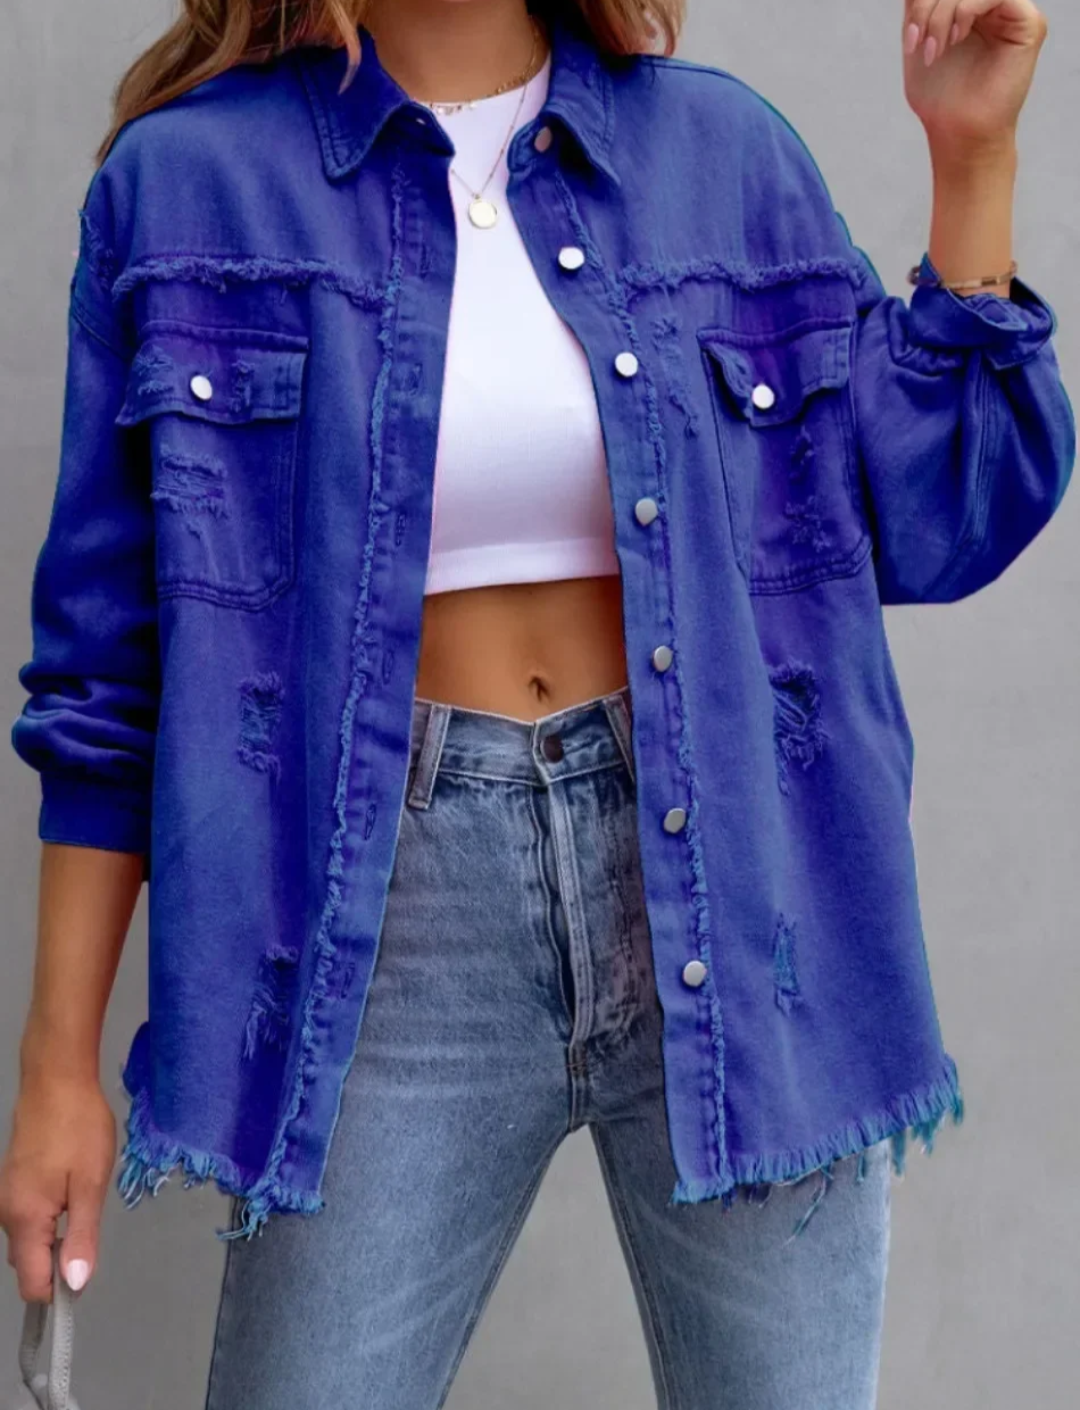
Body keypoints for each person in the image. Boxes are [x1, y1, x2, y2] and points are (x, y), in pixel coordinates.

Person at [1, 0, 1072, 1406]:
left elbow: (939, 519)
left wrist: (972, 156)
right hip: (388, 921)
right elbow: (107, 676)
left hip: (741, 902)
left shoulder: (724, 156)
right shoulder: (188, 185)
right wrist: (59, 1065)